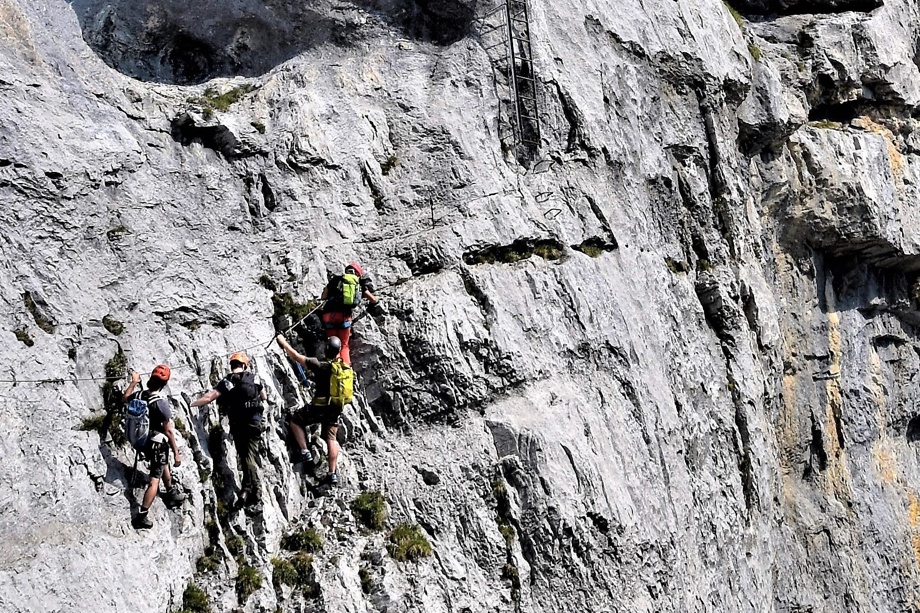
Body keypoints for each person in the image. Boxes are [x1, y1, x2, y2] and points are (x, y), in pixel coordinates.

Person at [190, 352, 266, 507]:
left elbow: (209, 398)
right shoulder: (254, 377)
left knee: (245, 456)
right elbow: (263, 396)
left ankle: (254, 487)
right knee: (248, 455)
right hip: (254, 421)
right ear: (245, 365)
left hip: (238, 424)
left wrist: (190, 404)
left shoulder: (228, 381)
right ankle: (248, 488)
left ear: (232, 366)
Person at [276, 334, 346, 486]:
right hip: (335, 408)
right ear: (338, 351)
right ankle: (332, 473)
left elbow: (296, 356)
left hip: (319, 406)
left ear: (326, 349)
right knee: (331, 439)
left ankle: (305, 451)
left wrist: (283, 342)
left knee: (295, 420)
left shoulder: (319, 365)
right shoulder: (343, 368)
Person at [122, 365, 187, 530]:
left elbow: (125, 398)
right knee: (153, 481)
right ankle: (141, 516)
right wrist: (176, 453)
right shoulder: (160, 404)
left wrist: (134, 382)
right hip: (156, 444)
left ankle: (171, 490)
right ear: (164, 384)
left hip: (140, 441)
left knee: (161, 461)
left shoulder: (138, 395)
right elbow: (168, 431)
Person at [320, 262, 384, 366]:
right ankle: (345, 370)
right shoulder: (358, 283)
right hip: (344, 317)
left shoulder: (336, 279)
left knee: (333, 345)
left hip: (329, 316)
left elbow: (323, 297)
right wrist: (376, 301)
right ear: (358, 274)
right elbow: (373, 300)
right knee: (344, 345)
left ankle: (335, 369)